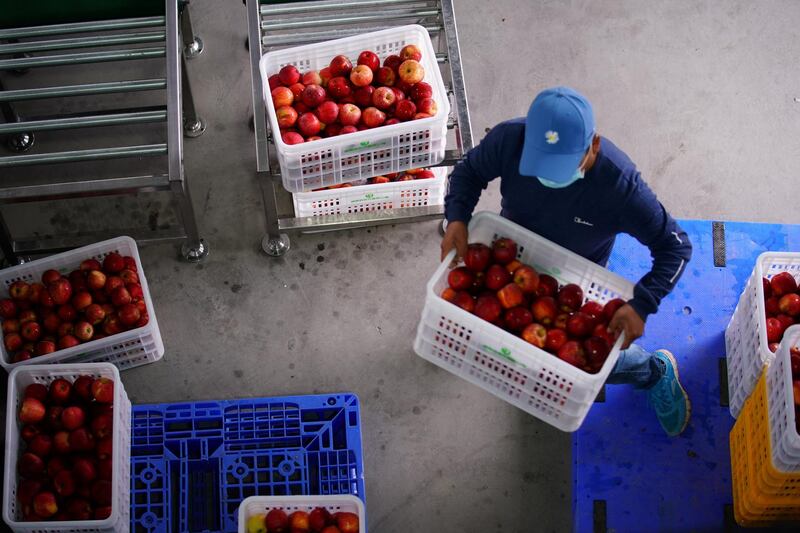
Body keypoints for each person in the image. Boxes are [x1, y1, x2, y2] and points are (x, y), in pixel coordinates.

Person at [441, 86, 693, 436]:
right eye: (541, 163)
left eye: (561, 166)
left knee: (591, 353)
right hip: (512, 260)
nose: (549, 178)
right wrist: (456, 217)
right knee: (515, 341)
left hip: (575, 272)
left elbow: (676, 247)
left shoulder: (621, 188)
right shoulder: (509, 139)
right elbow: (468, 172)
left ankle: (652, 371)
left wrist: (643, 304)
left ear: (595, 146)